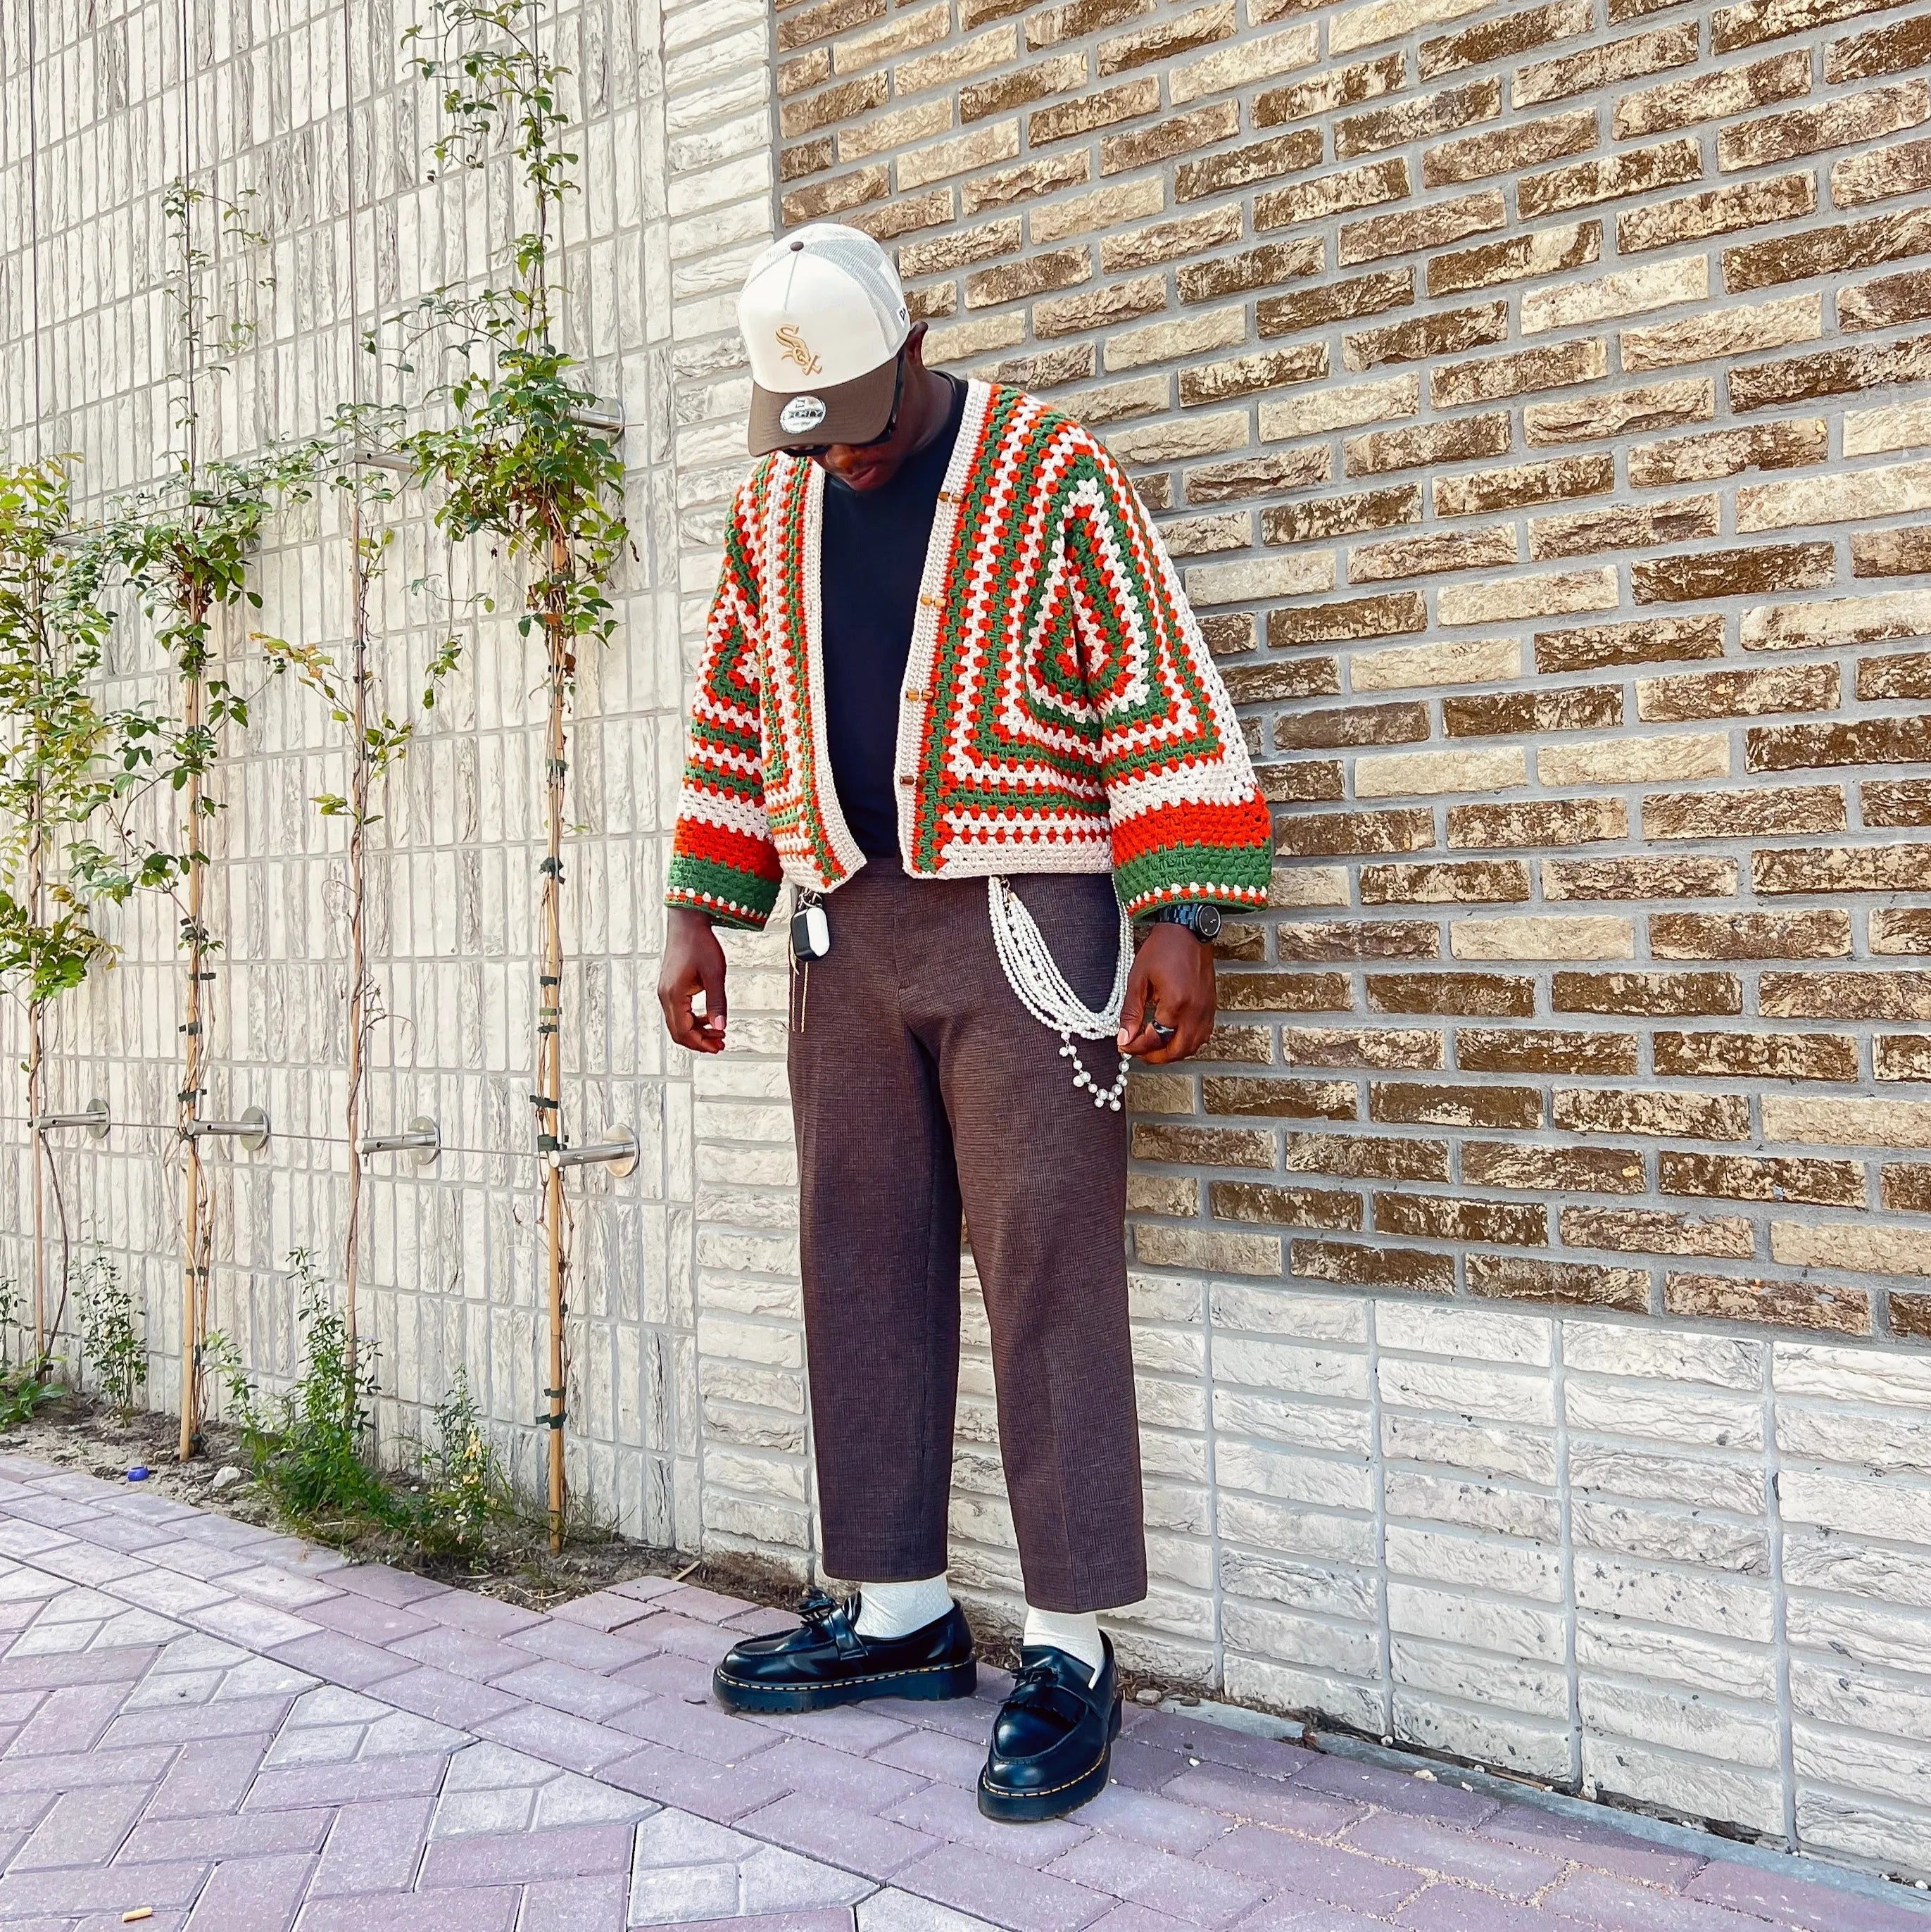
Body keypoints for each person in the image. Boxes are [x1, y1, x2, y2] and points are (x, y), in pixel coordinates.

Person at [658, 223, 1272, 1822]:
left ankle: (1069, 1645)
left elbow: (1153, 685)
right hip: (839, 925)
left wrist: (1180, 912)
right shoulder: (773, 504)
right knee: (855, 1257)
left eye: (860, 422)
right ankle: (898, 1613)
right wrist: (698, 910)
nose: (841, 459)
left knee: (1044, 1258)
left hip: (1026, 918)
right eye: (809, 435)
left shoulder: (1053, 472)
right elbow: (736, 707)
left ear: (914, 345)